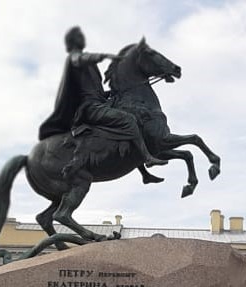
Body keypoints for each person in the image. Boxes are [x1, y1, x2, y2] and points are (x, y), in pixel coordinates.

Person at [38, 26, 166, 176]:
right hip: (90, 108)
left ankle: (144, 173)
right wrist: (102, 56)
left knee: (131, 115)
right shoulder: (75, 57)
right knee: (129, 120)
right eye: (79, 36)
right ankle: (147, 158)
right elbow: (79, 59)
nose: (82, 38)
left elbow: (96, 92)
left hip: (99, 103)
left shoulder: (87, 64)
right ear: (73, 41)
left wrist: (115, 92)